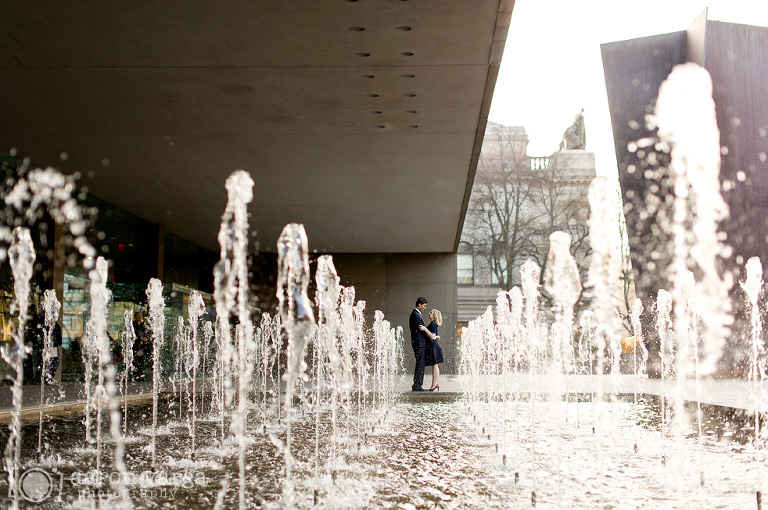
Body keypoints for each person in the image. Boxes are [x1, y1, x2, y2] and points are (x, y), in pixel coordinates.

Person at [409, 297, 429, 391]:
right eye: (424, 306)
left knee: (420, 363)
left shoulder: (417, 314)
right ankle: (417, 385)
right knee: (420, 364)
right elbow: (421, 329)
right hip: (419, 343)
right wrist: (431, 336)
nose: (424, 308)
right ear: (419, 304)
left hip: (419, 343)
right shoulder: (415, 315)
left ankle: (417, 384)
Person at [421, 309, 444, 392]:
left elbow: (432, 336)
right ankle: (434, 384)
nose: (429, 313)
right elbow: (435, 336)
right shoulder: (433, 324)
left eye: (431, 313)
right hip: (433, 346)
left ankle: (434, 384)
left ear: (434, 316)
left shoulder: (433, 324)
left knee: (435, 365)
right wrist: (436, 336)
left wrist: (424, 329)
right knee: (435, 365)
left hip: (434, 346)